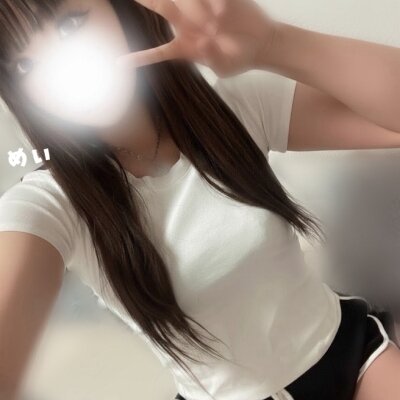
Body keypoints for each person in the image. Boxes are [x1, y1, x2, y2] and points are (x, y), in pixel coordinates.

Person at [0, 0, 399, 399]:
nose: (57, 68)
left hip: (351, 356)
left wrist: (273, 43)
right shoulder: (52, 202)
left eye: (70, 25)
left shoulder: (230, 107)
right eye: (24, 65)